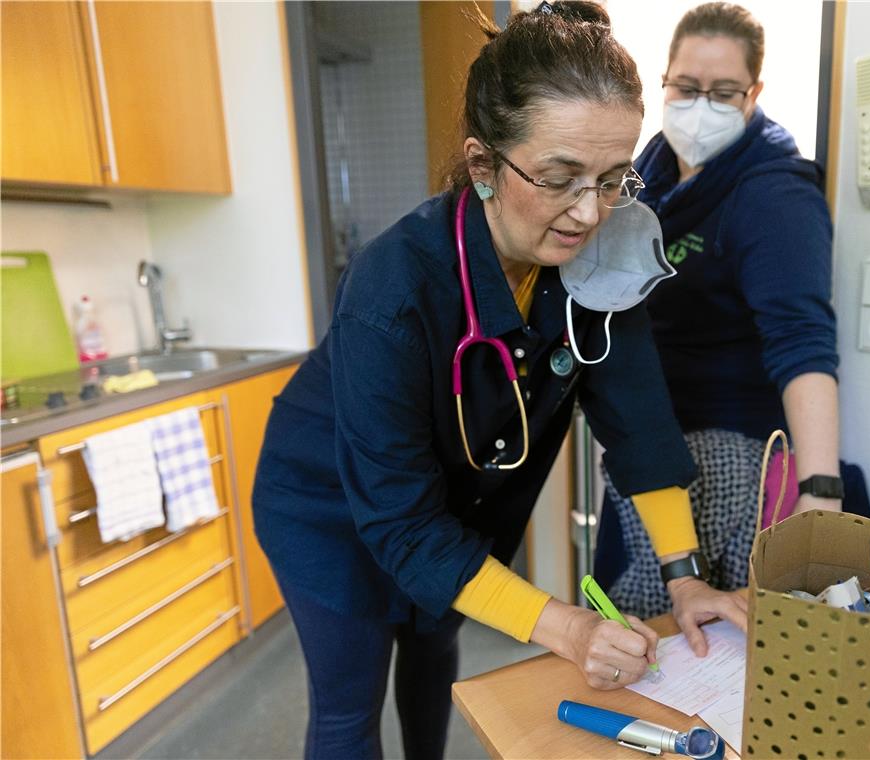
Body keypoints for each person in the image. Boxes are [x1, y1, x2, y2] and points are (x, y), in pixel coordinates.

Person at [251, 3, 745, 758]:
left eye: (614, 179)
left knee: (431, 644)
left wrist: (685, 576)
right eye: (559, 178)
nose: (589, 212)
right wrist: (568, 626)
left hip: (453, 498)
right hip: (328, 503)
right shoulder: (394, 289)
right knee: (349, 706)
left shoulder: (601, 254)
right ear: (483, 164)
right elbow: (402, 525)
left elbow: (640, 423)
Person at [594, 2, 870, 620]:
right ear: (663, 83)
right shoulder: (648, 175)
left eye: (723, 93)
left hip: (732, 460)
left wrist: (820, 492)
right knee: (628, 638)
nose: (700, 106)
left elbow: (802, 339)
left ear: (754, 94)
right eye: (687, 88)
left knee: (710, 648)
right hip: (645, 445)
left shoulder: (774, 193)